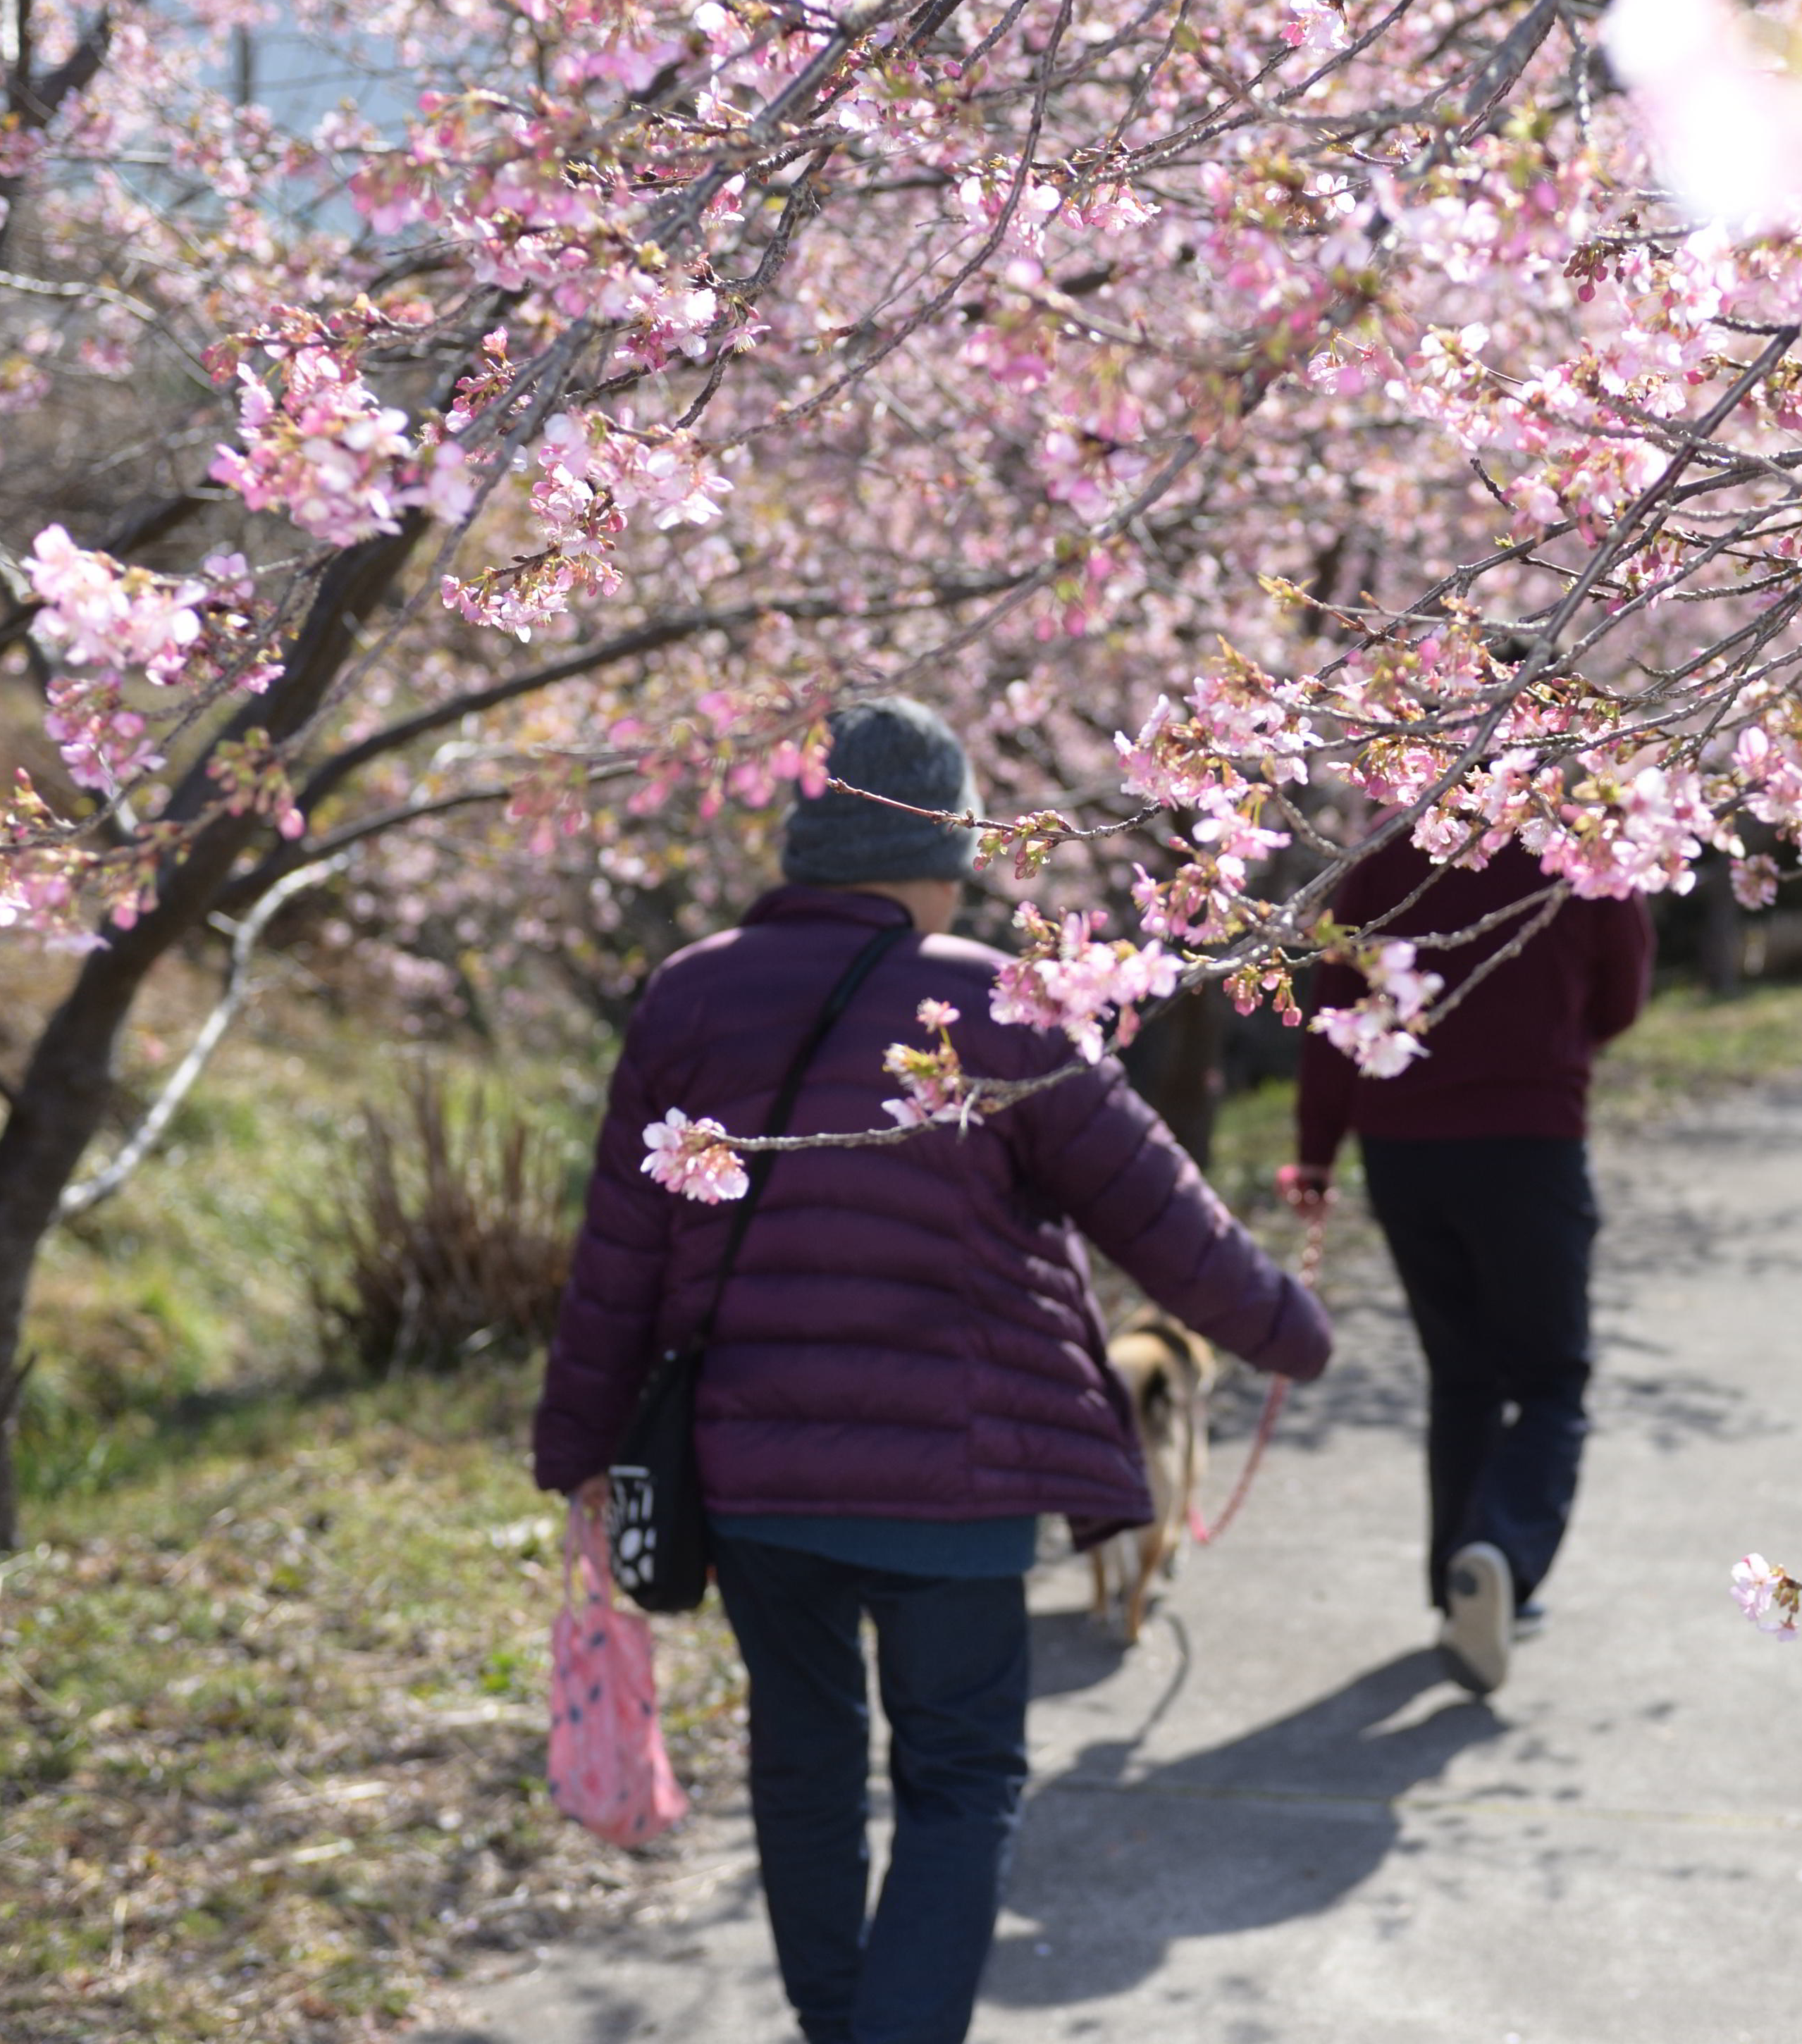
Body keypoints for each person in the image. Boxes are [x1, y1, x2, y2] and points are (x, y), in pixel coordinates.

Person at [533, 698, 1331, 2044]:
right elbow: (1159, 1217)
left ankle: (840, 2024)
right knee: (959, 1782)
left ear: (812, 830)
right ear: (950, 842)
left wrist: (577, 1454)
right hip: (956, 1482)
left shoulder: (689, 994)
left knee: (804, 1770)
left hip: (755, 1476)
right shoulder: (998, 998)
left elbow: (617, 1248)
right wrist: (1290, 1336)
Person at [1279, 829, 1653, 1696]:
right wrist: (1552, 1037)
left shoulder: (1379, 854)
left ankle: (1460, 1577)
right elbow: (1623, 993)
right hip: (1531, 1139)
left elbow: (1334, 1011)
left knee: (1462, 1375)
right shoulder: (1580, 839)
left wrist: (1316, 1152)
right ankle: (1501, 1556)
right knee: (1552, 1380)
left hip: (1401, 1149)